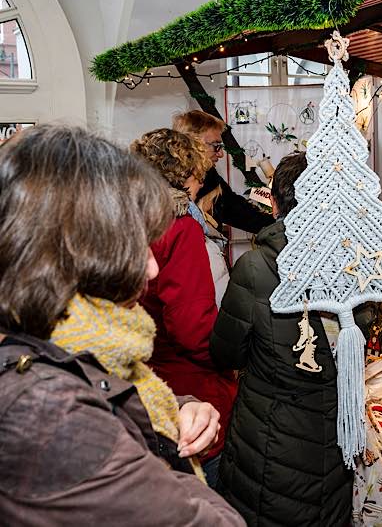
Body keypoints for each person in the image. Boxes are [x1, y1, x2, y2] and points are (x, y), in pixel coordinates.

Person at [0, 124, 243, 525]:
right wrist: (175, 466)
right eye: (131, 243)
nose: (149, 266)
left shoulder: (65, 351)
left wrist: (178, 408)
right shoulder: (49, 409)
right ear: (74, 249)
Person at [210, 151, 353, 526]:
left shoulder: (255, 268)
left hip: (267, 446)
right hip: (333, 442)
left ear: (274, 203)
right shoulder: (349, 263)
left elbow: (226, 352)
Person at [131, 128, 237, 488]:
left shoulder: (131, 218)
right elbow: (192, 328)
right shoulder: (178, 226)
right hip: (189, 386)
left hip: (148, 382)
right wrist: (230, 356)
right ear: (186, 174)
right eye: (198, 174)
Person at [173, 110, 274, 234]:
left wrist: (280, 225)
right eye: (216, 146)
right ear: (193, 143)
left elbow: (239, 212)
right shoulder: (166, 184)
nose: (220, 154)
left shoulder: (210, 177)